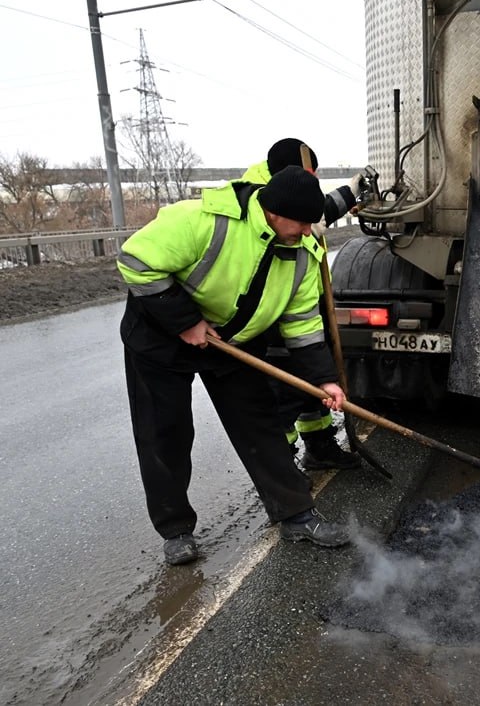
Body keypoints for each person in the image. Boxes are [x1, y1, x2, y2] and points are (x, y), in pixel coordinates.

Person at [118, 165, 352, 566]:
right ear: (274, 211)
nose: (308, 232)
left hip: (233, 343)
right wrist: (185, 321)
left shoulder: (299, 253)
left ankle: (296, 514)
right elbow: (136, 262)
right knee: (165, 432)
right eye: (302, 222)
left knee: (259, 423)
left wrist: (325, 380)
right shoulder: (203, 220)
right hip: (160, 335)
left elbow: (302, 323)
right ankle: (176, 530)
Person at [244, 138, 365, 472]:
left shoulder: (287, 186)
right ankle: (281, 468)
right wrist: (349, 193)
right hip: (273, 313)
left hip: (302, 301)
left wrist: (350, 193)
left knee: (313, 381)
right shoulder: (263, 191)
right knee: (284, 392)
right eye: (310, 175)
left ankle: (320, 446)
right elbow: (319, 215)